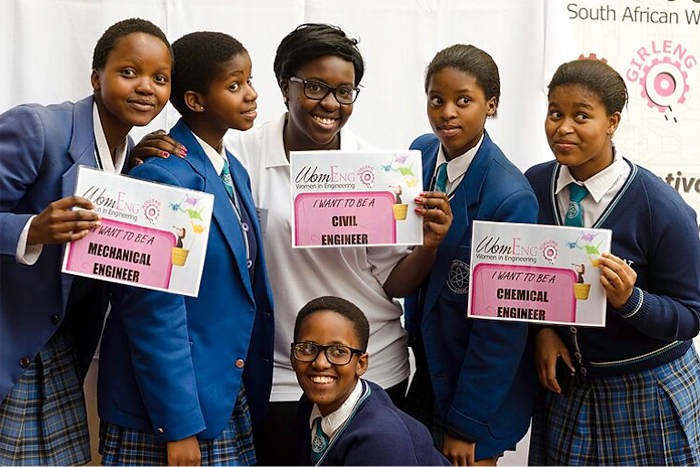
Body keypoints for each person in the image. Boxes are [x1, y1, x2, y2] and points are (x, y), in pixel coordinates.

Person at [133, 23, 452, 465]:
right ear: (285, 86)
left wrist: (429, 246)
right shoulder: (238, 155)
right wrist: (143, 154)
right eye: (316, 87)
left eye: (345, 92)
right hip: (278, 373)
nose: (330, 103)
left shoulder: (379, 172)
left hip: (369, 366)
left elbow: (394, 283)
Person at [97, 32, 274, 466]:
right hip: (171, 413)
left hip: (221, 395)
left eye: (250, 81)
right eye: (235, 85)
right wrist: (178, 427)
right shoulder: (161, 178)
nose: (252, 95)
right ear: (195, 100)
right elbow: (152, 311)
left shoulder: (232, 169)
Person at [0, 18, 172, 465]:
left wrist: (134, 171)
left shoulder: (129, 158)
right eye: (128, 72)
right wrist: (29, 229)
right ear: (96, 77)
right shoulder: (38, 128)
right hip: (11, 343)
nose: (145, 88)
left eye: (160, 78)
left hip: (60, 348)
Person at [526, 58, 700, 466]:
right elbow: (523, 276)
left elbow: (691, 315)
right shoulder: (533, 185)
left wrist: (631, 300)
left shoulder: (661, 208)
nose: (563, 127)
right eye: (555, 113)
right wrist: (544, 328)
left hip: (647, 393)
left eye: (581, 116)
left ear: (613, 121)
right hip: (569, 393)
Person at [403, 44, 539, 466]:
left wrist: (466, 425)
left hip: (474, 386)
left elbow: (502, 330)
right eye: (436, 99)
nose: (447, 113)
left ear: (491, 105)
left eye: (464, 101)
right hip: (429, 367)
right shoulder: (421, 152)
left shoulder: (510, 197)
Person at [291, 296, 450, 466]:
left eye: (338, 351)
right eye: (307, 349)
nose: (320, 363)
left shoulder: (381, 440)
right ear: (292, 357)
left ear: (361, 363)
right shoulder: (309, 406)